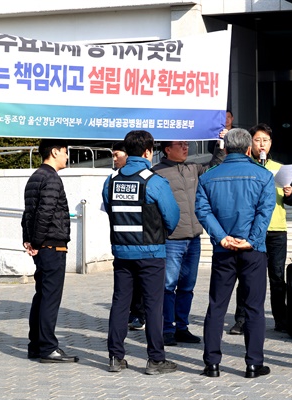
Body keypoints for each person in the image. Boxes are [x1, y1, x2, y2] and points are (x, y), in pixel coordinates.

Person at [195, 128, 276, 379]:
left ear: (226, 149)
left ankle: (212, 364)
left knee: (217, 306)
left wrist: (222, 237)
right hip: (253, 251)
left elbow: (203, 210)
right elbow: (265, 211)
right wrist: (251, 240)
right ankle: (253, 363)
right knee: (254, 307)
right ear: (249, 149)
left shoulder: (209, 176)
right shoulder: (262, 175)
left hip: (224, 249)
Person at [102, 130, 180, 375]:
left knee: (120, 303)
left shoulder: (111, 180)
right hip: (151, 253)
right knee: (153, 305)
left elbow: (109, 207)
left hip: (122, 252)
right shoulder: (154, 180)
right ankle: (155, 359)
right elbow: (172, 217)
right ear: (148, 152)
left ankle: (115, 358)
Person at [152, 140, 225, 346]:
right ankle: (167, 328)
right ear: (167, 149)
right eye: (180, 144)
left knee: (187, 286)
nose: (186, 148)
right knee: (168, 286)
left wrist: (220, 144)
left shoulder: (193, 168)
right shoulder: (157, 173)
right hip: (171, 240)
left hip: (193, 238)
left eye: (186, 144)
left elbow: (215, 166)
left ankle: (182, 327)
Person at [229, 123, 292, 335]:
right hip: (250, 231)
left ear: (271, 143)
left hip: (276, 229)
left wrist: (289, 193)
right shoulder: (245, 166)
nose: (261, 144)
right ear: (250, 144)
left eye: (265, 140)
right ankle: (241, 319)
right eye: (257, 140)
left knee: (277, 277)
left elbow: (291, 201)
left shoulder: (279, 168)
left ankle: (281, 319)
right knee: (246, 276)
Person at [22, 139, 79, 363]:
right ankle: (47, 347)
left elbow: (28, 213)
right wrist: (35, 241)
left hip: (42, 246)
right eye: (65, 152)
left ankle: (36, 344)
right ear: (54, 152)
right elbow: (44, 213)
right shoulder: (52, 178)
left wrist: (28, 239)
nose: (67, 156)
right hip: (52, 246)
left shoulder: (35, 176)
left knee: (42, 296)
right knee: (50, 298)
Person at [112, 141, 145, 331]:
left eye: (117, 154)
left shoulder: (148, 178)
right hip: (123, 244)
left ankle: (140, 315)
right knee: (124, 291)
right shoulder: (113, 179)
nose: (114, 159)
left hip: (146, 243)